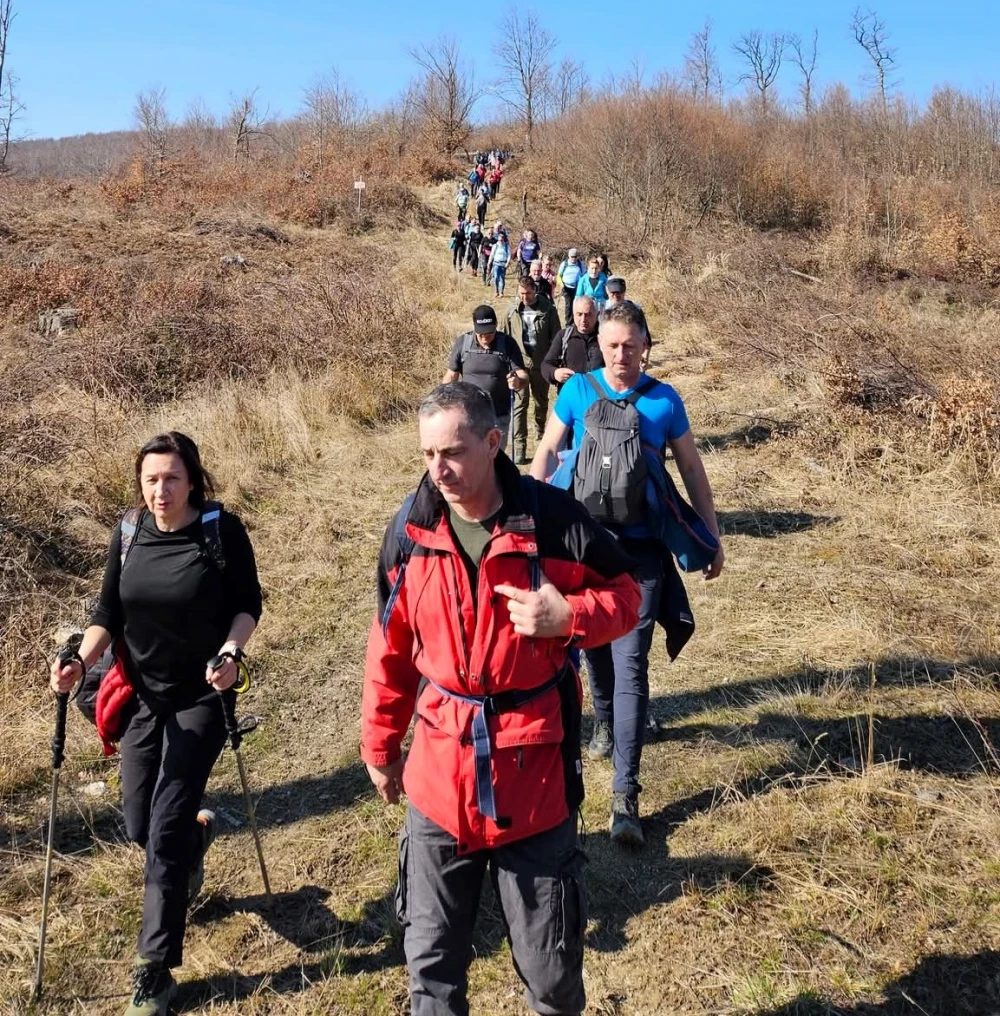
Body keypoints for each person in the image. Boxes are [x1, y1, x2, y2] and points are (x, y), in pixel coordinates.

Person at [361, 381, 641, 1016]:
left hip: (534, 778)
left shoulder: (553, 520)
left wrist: (569, 614)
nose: (440, 470)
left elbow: (627, 595)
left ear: (493, 443)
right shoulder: (409, 531)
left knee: (550, 973)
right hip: (437, 774)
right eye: (428, 454)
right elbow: (390, 648)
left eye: (454, 451)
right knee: (430, 968)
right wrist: (380, 745)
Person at [49, 431, 262, 1016]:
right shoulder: (129, 532)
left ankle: (154, 971)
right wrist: (78, 662)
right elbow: (107, 614)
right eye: (150, 479)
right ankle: (195, 841)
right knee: (141, 825)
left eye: (171, 478)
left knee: (164, 823)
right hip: (142, 696)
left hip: (201, 696)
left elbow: (249, 603)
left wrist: (231, 652)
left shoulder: (221, 530)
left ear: (192, 478)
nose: (160, 490)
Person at [530, 302, 724, 847]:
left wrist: (711, 537)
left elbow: (692, 470)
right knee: (593, 651)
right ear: (602, 345)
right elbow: (546, 452)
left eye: (631, 346)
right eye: (613, 345)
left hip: (642, 557)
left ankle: (625, 797)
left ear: (646, 346)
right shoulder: (576, 392)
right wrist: (526, 524)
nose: (621, 355)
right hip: (585, 553)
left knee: (631, 663)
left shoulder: (665, 400)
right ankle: (606, 726)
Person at [443, 305, 527, 439]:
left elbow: (523, 376)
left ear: (496, 325)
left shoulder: (507, 344)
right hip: (469, 413)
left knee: (495, 456)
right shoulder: (463, 343)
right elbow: (451, 375)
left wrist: (518, 381)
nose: (484, 338)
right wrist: (444, 401)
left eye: (489, 333)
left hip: (499, 414)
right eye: (481, 334)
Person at [505, 275, 560, 465]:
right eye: (521, 293)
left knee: (541, 401)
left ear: (534, 291)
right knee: (520, 405)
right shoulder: (512, 311)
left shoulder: (548, 310)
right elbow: (505, 337)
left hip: (540, 363)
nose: (524, 297)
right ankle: (519, 446)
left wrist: (553, 362)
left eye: (527, 293)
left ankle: (540, 430)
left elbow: (557, 338)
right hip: (518, 363)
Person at [541, 295, 602, 395]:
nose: (583, 319)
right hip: (571, 398)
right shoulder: (564, 336)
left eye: (588, 314)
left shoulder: (607, 337)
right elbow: (546, 365)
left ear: (597, 314)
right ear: (573, 315)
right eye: (579, 314)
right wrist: (555, 373)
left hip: (599, 399)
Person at [556, 248, 585, 326]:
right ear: (569, 256)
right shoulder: (564, 264)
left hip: (577, 287)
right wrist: (561, 284)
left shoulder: (580, 264)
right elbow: (559, 275)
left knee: (576, 304)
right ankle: (568, 323)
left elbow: (584, 275)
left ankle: (576, 321)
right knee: (568, 305)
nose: (573, 258)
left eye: (575, 257)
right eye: (572, 256)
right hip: (566, 287)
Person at [488, 231, 511, 297]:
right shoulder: (495, 246)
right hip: (496, 263)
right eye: (499, 240)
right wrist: (489, 263)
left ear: (504, 239)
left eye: (502, 239)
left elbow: (509, 255)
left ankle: (501, 292)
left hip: (503, 264)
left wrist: (508, 262)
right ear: (498, 239)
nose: (501, 241)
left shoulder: (506, 246)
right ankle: (496, 291)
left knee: (502, 278)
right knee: (495, 277)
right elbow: (492, 255)